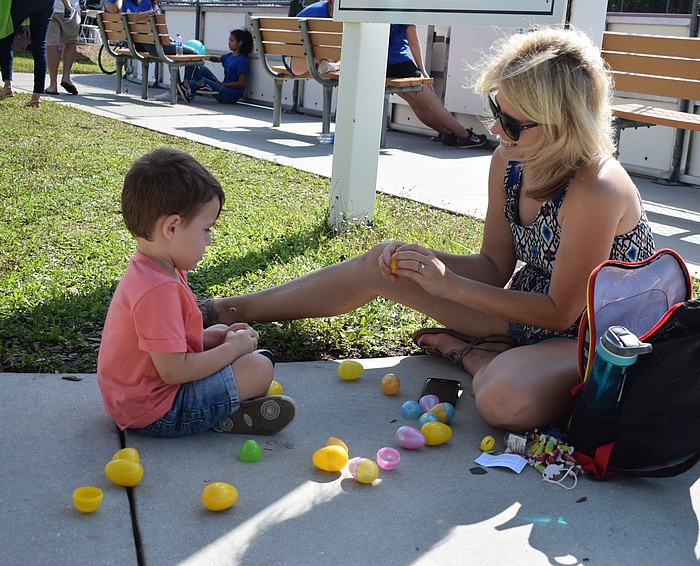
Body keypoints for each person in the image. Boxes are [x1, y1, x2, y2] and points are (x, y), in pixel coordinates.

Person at [198, 27, 656, 433]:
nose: (496, 128)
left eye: (512, 122)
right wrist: (427, 263)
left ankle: (471, 354)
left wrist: (451, 287)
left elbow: (560, 312)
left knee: (502, 399)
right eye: (496, 108)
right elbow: (496, 266)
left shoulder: (596, 187)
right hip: (530, 313)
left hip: (600, 336)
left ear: (565, 123)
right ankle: (221, 311)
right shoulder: (511, 159)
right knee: (386, 262)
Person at [97, 148, 296, 438]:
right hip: (155, 412)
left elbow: (159, 349)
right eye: (205, 229)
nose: (210, 240)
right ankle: (219, 415)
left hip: (138, 400)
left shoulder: (153, 269)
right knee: (258, 367)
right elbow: (173, 371)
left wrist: (211, 338)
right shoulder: (158, 290)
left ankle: (227, 408)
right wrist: (232, 350)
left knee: (249, 355)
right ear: (172, 227)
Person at [294, 0, 488, 148]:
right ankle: (464, 135)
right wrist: (422, 70)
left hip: (374, 64)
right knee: (429, 102)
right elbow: (413, 42)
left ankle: (446, 133)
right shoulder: (401, 5)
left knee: (416, 103)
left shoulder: (366, 5)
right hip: (399, 64)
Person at [0, 0, 54, 108]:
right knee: (40, 47)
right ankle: (36, 98)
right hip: (46, 3)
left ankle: (8, 85)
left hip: (22, 3)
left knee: (5, 39)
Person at [180, 29, 253, 104]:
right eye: (229, 40)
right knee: (201, 69)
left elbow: (241, 83)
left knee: (202, 80)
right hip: (223, 87)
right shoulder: (229, 56)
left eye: (232, 41)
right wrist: (206, 57)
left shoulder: (241, 61)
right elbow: (217, 59)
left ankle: (180, 90)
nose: (229, 43)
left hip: (229, 95)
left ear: (240, 43)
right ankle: (187, 88)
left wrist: (221, 84)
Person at [45, 0, 80, 95]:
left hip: (52, 7)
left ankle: (53, 85)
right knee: (70, 42)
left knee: (52, 44)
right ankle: (66, 77)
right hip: (72, 9)